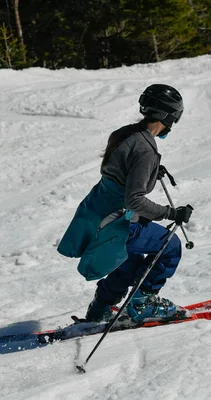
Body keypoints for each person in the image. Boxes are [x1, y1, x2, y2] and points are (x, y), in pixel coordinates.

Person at [57, 84, 194, 323]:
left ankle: (100, 307)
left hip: (98, 212)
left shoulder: (124, 133)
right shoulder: (145, 151)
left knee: (128, 258)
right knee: (170, 246)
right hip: (117, 220)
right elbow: (134, 199)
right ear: (169, 115)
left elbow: (119, 171)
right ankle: (143, 303)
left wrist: (149, 172)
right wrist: (171, 213)